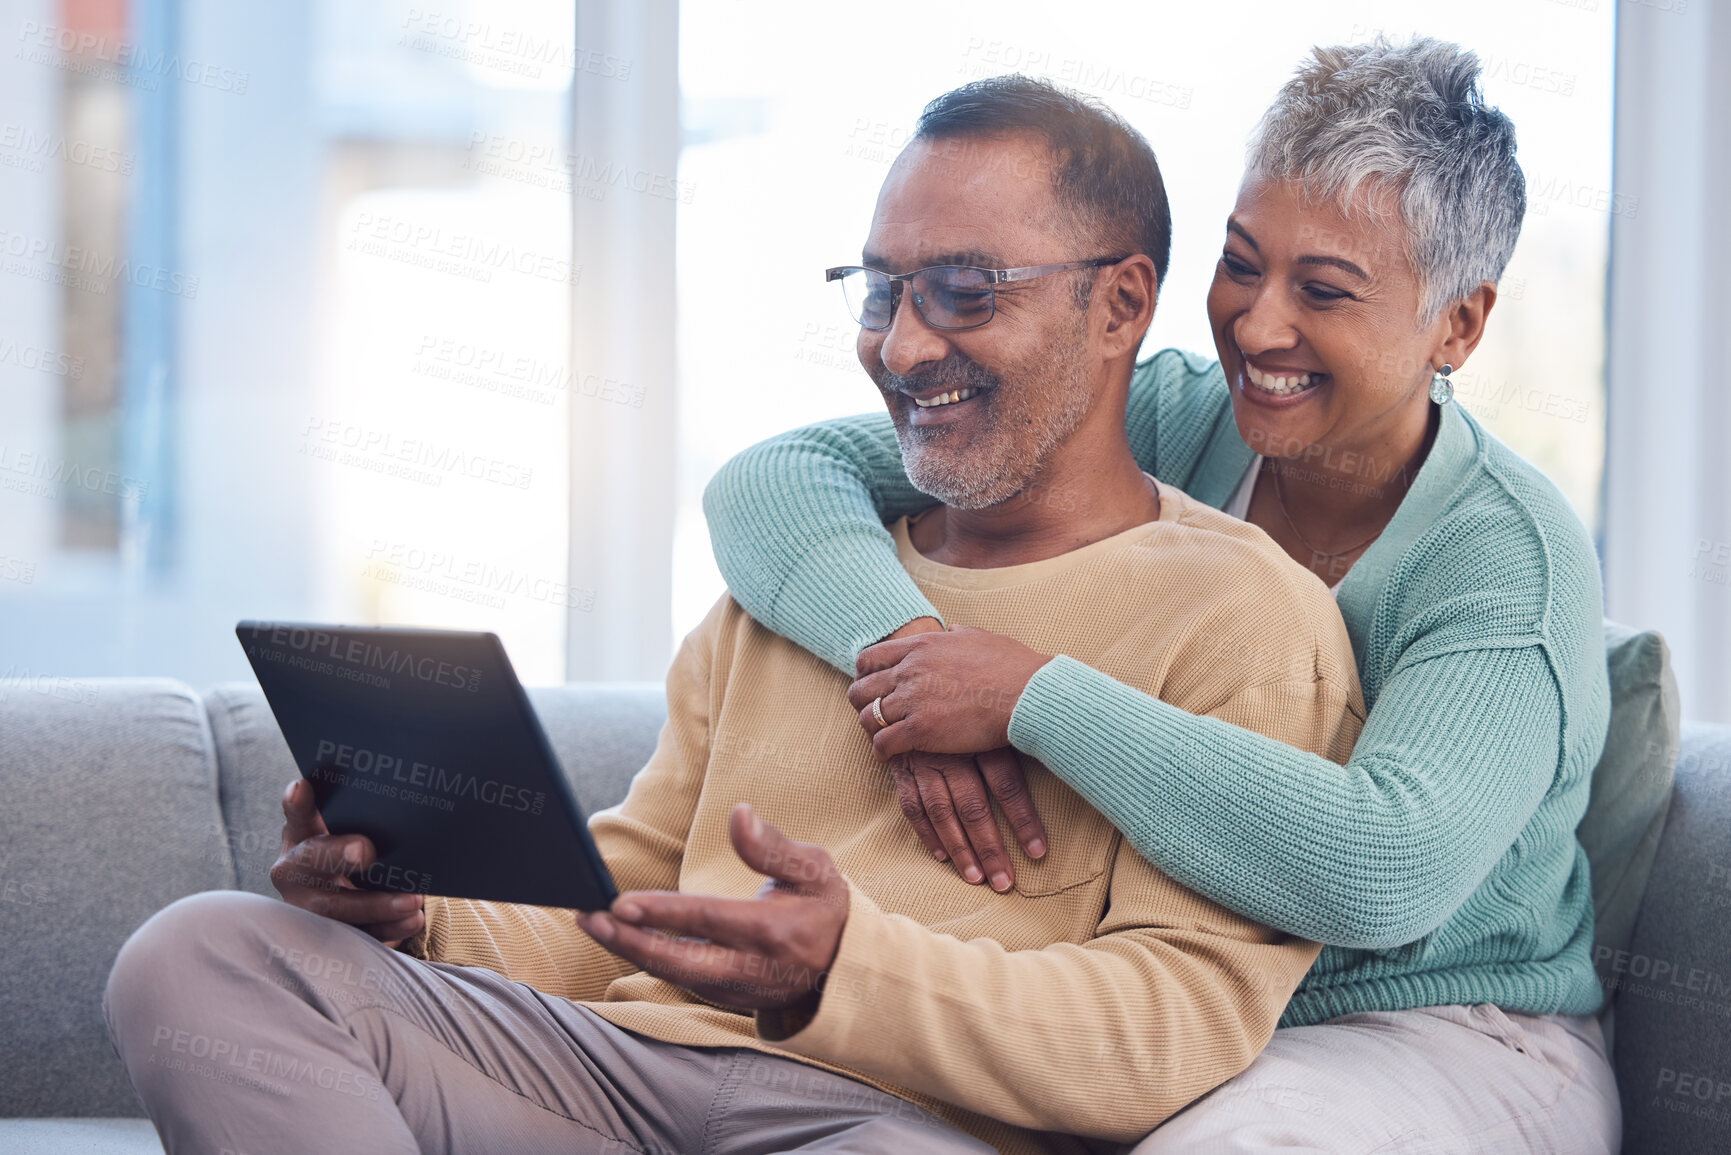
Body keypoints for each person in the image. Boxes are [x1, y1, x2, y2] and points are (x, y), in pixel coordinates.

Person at [103, 77, 1365, 1155]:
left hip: (892, 1122)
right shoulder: (802, 587)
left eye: (965, 291)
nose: (906, 346)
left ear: (1120, 305)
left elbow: (1167, 1029)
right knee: (204, 958)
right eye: (881, 293)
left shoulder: (1247, 616)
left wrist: (840, 971)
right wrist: (423, 911)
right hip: (617, 1075)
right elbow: (633, 898)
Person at [703, 39, 1620, 1153]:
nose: (1257, 326)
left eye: (1322, 291)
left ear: (1460, 325)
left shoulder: (1506, 563)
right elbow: (774, 481)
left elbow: (1384, 870)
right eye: (1242, 264)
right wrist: (912, 656)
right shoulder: (1176, 420)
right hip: (1181, 1008)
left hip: (1428, 1027)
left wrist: (1030, 697)